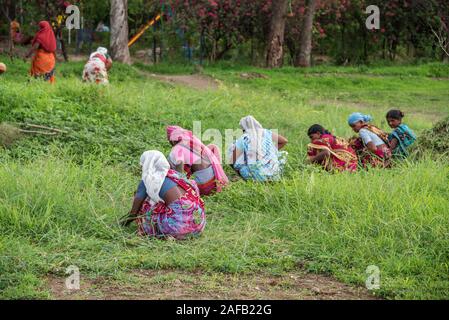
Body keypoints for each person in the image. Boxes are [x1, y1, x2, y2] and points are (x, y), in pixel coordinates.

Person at [122, 150, 206, 240]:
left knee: (145, 202)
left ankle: (170, 233)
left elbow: (134, 213)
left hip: (178, 226)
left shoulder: (148, 180)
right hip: (198, 221)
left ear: (147, 164)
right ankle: (186, 232)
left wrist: (122, 223)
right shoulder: (174, 175)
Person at [166, 126, 229, 196]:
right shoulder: (192, 141)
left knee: (174, 184)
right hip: (215, 182)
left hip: (205, 185)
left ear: (172, 140)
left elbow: (179, 172)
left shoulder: (178, 148)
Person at [229, 116, 288, 182]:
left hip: (259, 177)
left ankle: (252, 180)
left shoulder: (244, 138)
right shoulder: (266, 132)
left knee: (242, 165)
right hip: (275, 175)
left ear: (243, 129)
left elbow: (232, 161)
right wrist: (271, 151)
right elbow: (284, 141)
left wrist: (237, 171)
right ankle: (271, 178)